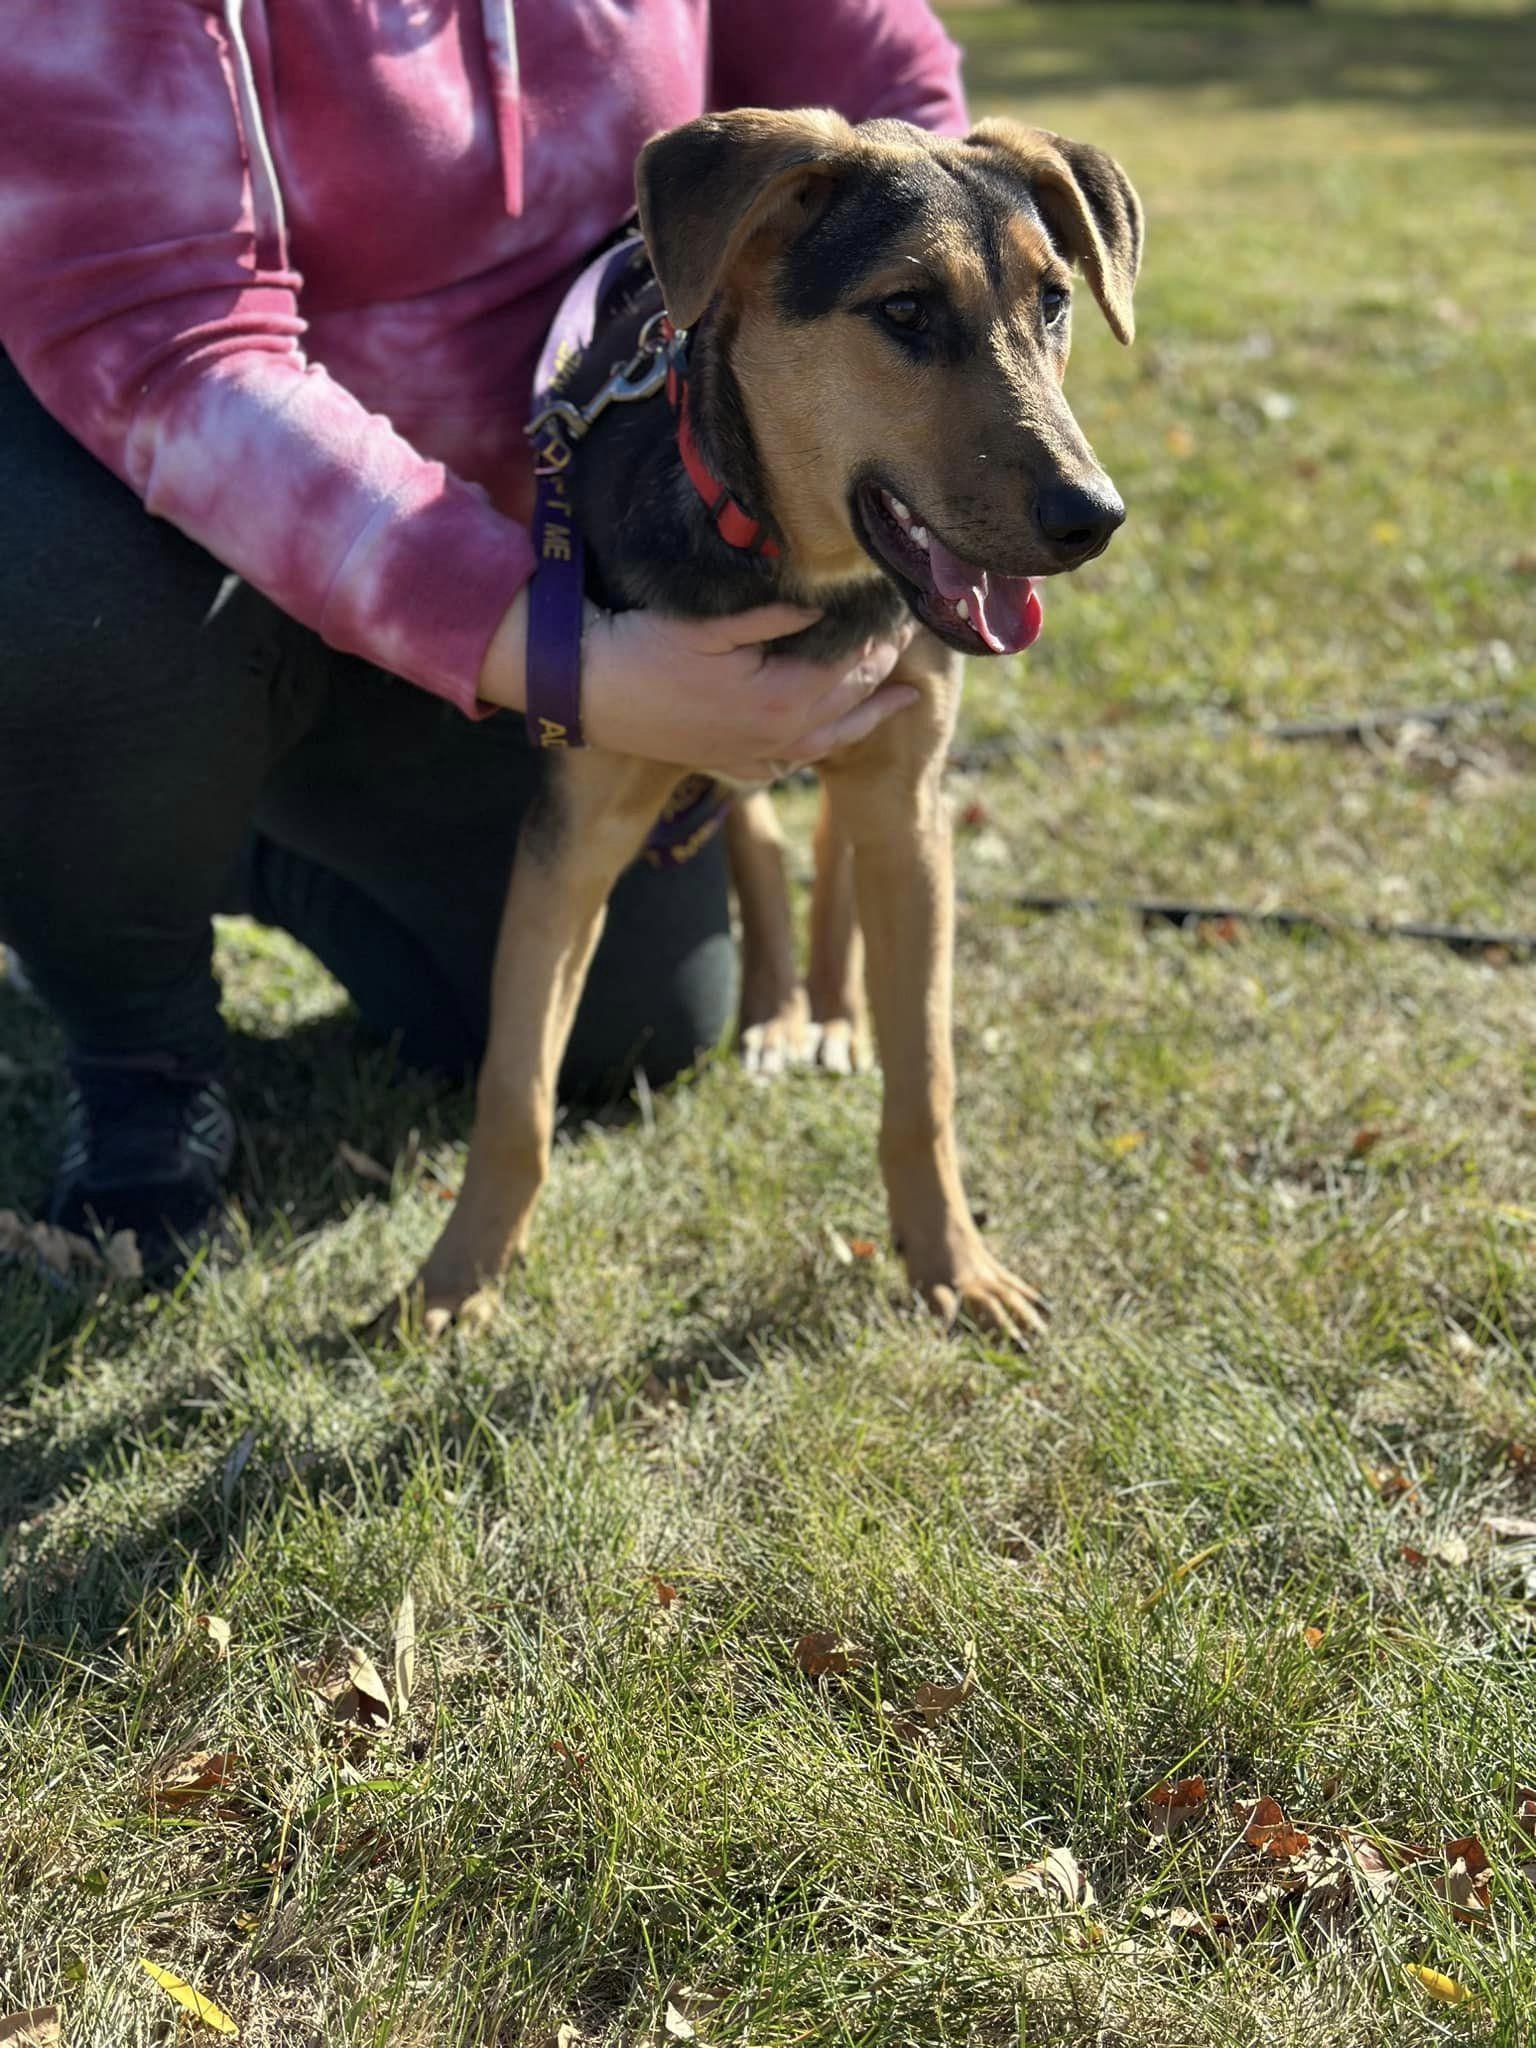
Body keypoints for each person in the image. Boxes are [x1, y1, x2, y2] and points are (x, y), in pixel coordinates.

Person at [0, 0, 966, 1270]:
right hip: (204, 568)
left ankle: (228, 844)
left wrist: (935, 380)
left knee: (641, 1032)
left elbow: (892, 99)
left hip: (577, 559)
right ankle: (139, 1039)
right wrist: (566, 660)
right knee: (62, 581)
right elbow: (164, 343)